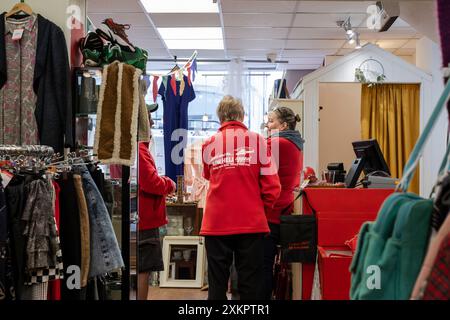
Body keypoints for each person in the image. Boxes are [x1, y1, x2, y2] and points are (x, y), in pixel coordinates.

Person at [201, 95, 281, 300]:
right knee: (249, 285)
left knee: (217, 285)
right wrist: (260, 210)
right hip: (250, 223)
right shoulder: (259, 141)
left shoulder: (209, 144)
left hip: (216, 223)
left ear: (220, 118)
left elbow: (208, 175)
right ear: (242, 115)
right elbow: (273, 187)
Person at [263, 106, 304, 299]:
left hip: (272, 211)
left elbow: (256, 169)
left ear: (284, 125)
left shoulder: (278, 142)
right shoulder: (294, 143)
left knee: (261, 268)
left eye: (271, 121)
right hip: (286, 209)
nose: (267, 124)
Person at [137, 105, 176, 300]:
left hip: (140, 217)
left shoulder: (135, 148)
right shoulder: (139, 149)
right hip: (144, 218)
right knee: (143, 270)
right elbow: (151, 183)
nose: (152, 121)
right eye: (148, 117)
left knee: (141, 268)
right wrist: (170, 184)